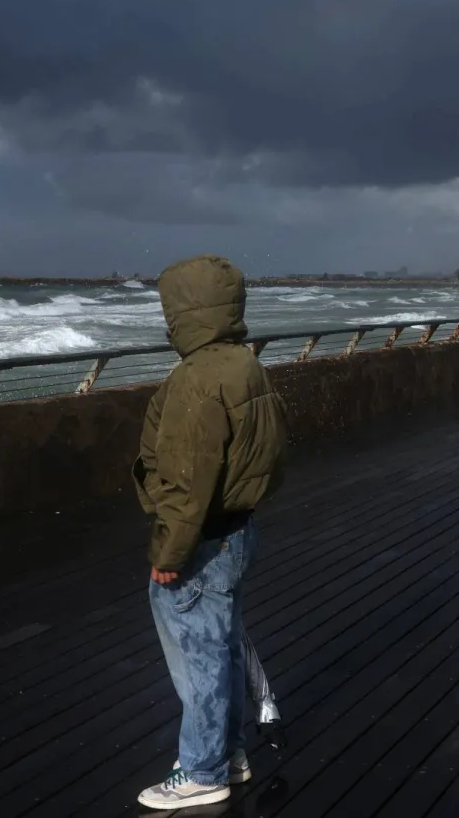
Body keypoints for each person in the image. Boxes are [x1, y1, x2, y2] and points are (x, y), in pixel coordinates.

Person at [133, 255, 288, 810]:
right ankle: (230, 752)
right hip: (238, 530)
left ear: (184, 310)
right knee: (221, 647)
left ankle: (201, 770)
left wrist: (169, 553)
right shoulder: (246, 364)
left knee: (198, 656)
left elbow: (184, 479)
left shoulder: (195, 380)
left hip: (200, 540)